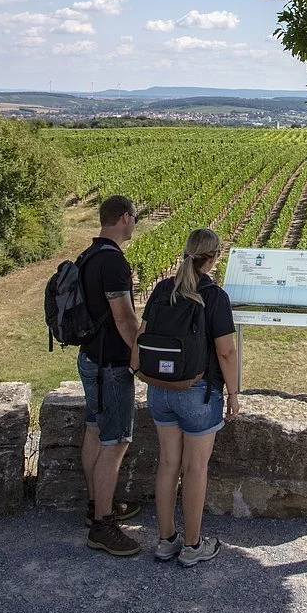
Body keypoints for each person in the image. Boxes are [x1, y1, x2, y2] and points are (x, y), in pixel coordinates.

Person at [134, 227, 239, 567]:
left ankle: (165, 541)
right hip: (199, 393)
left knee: (167, 464)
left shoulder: (164, 289)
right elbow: (225, 352)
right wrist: (234, 394)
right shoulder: (215, 297)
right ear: (214, 257)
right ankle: (193, 546)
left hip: (159, 390)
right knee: (194, 468)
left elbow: (142, 335)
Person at [78, 194, 142, 557]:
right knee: (116, 441)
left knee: (94, 429)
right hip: (112, 365)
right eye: (134, 217)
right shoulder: (114, 262)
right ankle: (103, 525)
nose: (135, 222)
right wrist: (139, 354)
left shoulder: (87, 255)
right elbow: (123, 317)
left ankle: (94, 505)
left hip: (89, 358)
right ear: (122, 217)